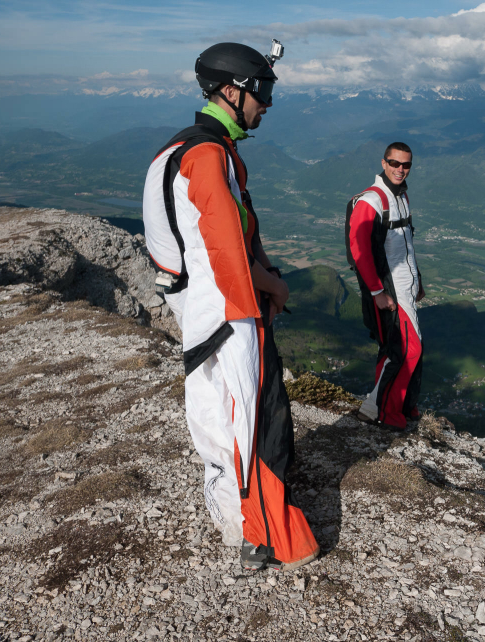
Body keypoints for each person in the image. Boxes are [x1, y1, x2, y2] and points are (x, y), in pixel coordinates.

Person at [142, 42, 318, 572]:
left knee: (223, 413)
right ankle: (263, 534)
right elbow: (226, 250)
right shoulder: (208, 155)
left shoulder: (188, 148)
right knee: (256, 418)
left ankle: (239, 517)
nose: (266, 104)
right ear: (230, 91)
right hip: (228, 312)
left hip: (202, 310)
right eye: (260, 92)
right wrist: (272, 288)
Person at [347, 142, 425, 430]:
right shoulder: (372, 200)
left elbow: (405, 245)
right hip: (390, 291)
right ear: (384, 163)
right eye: (395, 163)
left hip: (405, 288)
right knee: (406, 350)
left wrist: (419, 281)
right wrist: (378, 292)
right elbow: (360, 250)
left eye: (406, 165)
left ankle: (399, 407)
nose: (400, 169)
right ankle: (378, 410)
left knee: (398, 349)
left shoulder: (401, 197)